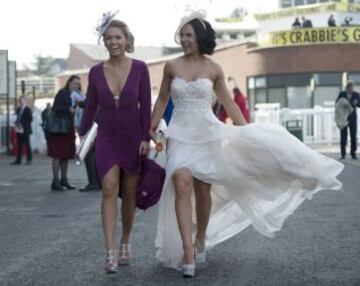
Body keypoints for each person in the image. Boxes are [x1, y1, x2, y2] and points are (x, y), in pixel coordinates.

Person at [150, 10, 343, 278]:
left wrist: (247, 131)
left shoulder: (213, 68)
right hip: (180, 135)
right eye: (181, 35)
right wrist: (151, 125)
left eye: (188, 35)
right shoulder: (171, 67)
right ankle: (188, 251)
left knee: (203, 190)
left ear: (200, 37)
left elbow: (228, 103)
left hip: (208, 135)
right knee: (181, 182)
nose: (183, 39)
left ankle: (201, 237)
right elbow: (161, 99)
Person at [80, 14, 151, 273]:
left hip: (133, 135)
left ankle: (125, 241)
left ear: (126, 40)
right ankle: (109, 252)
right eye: (108, 38)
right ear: (104, 42)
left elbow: (146, 106)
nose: (113, 42)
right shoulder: (96, 71)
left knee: (129, 192)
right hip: (107, 136)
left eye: (117, 37)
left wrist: (146, 137)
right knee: (109, 188)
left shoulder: (141, 67)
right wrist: (82, 133)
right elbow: (90, 105)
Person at [48, 75, 79, 191]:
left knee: (66, 155)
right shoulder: (62, 93)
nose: (77, 85)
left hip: (68, 128)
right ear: (69, 82)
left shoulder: (76, 95)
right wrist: (68, 109)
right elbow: (55, 108)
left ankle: (64, 180)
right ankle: (55, 181)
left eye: (78, 84)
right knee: (57, 155)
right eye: (75, 83)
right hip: (59, 129)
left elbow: (83, 104)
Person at [336, 81, 360, 160]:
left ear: (353, 87)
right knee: (343, 136)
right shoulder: (342, 94)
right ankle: (343, 154)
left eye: (351, 87)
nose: (350, 89)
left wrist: (356, 103)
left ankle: (353, 154)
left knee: (353, 136)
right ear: (346, 88)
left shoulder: (356, 95)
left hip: (352, 118)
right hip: (343, 118)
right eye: (348, 87)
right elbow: (337, 103)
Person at [11, 96, 33, 165]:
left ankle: (29, 160)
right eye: (20, 101)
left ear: (25, 101)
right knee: (19, 145)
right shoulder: (18, 109)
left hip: (25, 129)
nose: (21, 102)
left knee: (27, 144)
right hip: (19, 129)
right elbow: (17, 118)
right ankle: (18, 160)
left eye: (22, 101)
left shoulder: (28, 109)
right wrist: (16, 123)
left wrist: (22, 123)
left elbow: (30, 119)